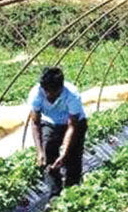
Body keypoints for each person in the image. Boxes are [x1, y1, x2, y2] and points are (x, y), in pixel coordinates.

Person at [28, 67, 88, 195]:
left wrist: (64, 152)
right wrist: (39, 152)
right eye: (47, 91)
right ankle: (55, 195)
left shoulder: (72, 95)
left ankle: (73, 192)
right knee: (48, 152)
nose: (50, 96)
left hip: (75, 123)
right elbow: (35, 122)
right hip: (50, 122)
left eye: (54, 92)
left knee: (73, 158)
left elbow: (72, 125)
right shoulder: (36, 94)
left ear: (61, 88)